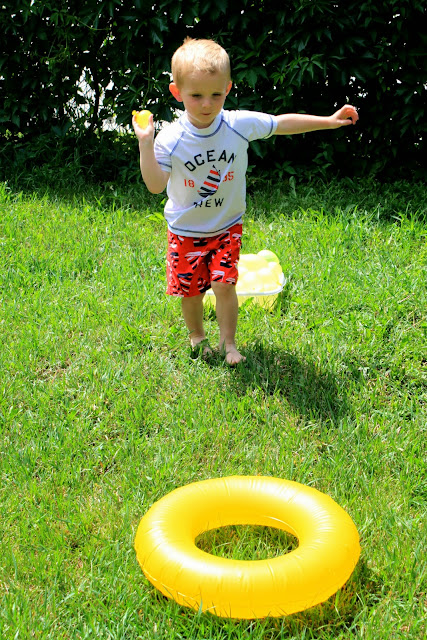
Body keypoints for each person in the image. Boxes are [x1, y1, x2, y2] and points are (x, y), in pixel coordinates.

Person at [133, 37, 358, 365]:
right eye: (196, 96)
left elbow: (280, 124)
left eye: (216, 94)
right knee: (192, 292)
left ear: (228, 88)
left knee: (224, 285)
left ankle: (229, 344)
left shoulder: (236, 124)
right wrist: (145, 144)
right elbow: (155, 186)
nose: (207, 104)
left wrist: (329, 120)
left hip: (227, 226)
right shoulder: (170, 139)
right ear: (177, 93)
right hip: (185, 232)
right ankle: (197, 338)